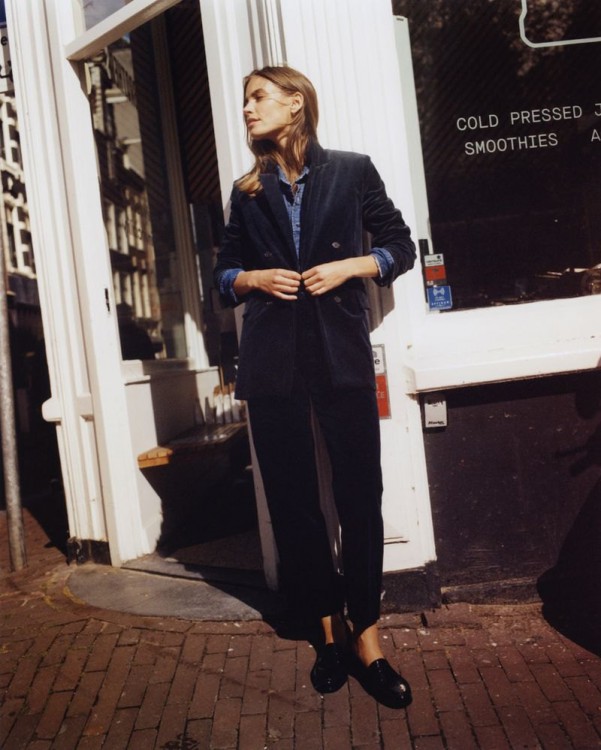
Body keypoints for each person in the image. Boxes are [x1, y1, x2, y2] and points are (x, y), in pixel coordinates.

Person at [214, 65, 416, 708]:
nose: (248, 109)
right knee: (294, 502)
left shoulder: (352, 171)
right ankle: (328, 632)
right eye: (246, 100)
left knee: (360, 495)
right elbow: (223, 274)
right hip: (271, 361)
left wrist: (350, 267)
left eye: (259, 97)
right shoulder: (247, 190)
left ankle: (369, 637)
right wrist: (253, 279)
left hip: (340, 356)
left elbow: (401, 246)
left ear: (295, 103)